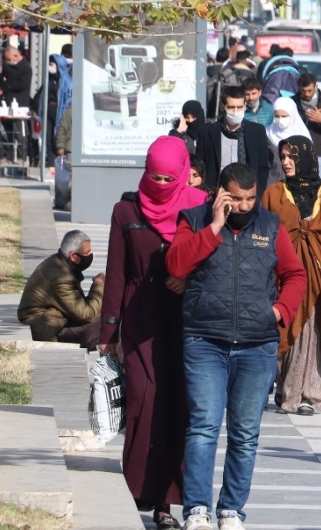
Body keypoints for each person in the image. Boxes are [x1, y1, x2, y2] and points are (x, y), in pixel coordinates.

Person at [166, 162, 307, 530]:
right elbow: (176, 264)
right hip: (204, 342)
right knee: (203, 428)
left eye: (250, 199)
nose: (244, 207)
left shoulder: (270, 225)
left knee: (245, 434)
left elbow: (295, 274)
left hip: (256, 345)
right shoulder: (194, 220)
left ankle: (231, 510)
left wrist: (279, 312)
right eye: (236, 199)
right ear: (219, 194)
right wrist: (213, 227)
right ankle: (196, 509)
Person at [98, 136, 207, 530]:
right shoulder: (125, 209)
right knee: (145, 399)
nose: (160, 184)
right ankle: (140, 484)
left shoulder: (199, 206)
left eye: (168, 177)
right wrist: (108, 330)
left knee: (178, 404)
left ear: (181, 174)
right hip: (141, 318)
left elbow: (214, 257)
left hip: (187, 320)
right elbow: (116, 273)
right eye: (153, 176)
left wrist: (189, 278)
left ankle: (166, 500)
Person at [261, 136, 321, 415]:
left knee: (313, 333)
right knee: (286, 332)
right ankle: (285, 390)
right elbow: (262, 234)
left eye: (292, 157)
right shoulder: (273, 194)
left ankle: (309, 395)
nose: (287, 162)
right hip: (282, 277)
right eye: (284, 156)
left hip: (320, 276)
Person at [17, 230, 104, 350]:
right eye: (87, 252)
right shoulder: (61, 278)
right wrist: (99, 285)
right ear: (73, 256)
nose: (91, 255)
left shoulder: (58, 263)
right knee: (107, 322)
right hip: (48, 327)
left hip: (54, 319)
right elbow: (87, 314)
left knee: (110, 317)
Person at [195, 85, 271, 198]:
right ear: (222, 107)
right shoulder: (206, 133)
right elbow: (200, 166)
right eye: (231, 107)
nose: (236, 111)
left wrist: (257, 194)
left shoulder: (257, 131)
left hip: (247, 197)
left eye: (239, 107)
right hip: (215, 196)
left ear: (245, 106)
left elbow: (263, 166)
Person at [292, 72, 321, 181]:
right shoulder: (292, 102)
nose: (307, 94)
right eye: (303, 91)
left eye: (310, 91)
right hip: (295, 154)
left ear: (316, 87)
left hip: (317, 154)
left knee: (317, 190)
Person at [32, 54, 72, 167]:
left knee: (57, 139)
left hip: (59, 111)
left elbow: (68, 99)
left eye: (52, 64)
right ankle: (51, 166)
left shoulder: (67, 81)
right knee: (48, 140)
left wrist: (64, 113)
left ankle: (61, 166)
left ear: (59, 65)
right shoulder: (49, 79)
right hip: (47, 110)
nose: (50, 67)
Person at [266, 97, 312, 185]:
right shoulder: (267, 134)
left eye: (284, 116)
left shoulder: (302, 135)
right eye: (277, 116)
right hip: (272, 183)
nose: (280, 119)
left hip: (297, 185)